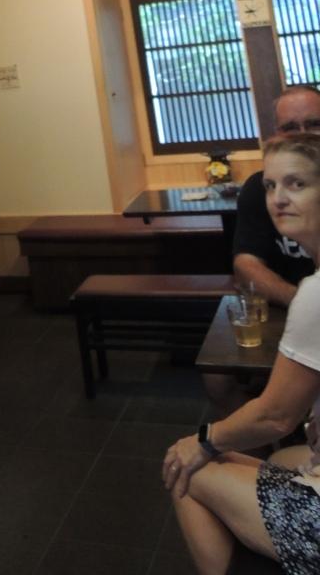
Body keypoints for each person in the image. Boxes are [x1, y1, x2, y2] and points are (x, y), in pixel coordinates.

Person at [162, 134, 320, 575]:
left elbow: (276, 418)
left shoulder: (315, 294)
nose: (278, 199)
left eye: (297, 184)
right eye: (270, 185)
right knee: (279, 458)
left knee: (185, 466)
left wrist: (202, 440)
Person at [233, 84, 320, 305]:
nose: (303, 134)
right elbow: (246, 263)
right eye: (291, 128)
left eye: (314, 124)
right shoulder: (259, 188)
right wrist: (303, 303)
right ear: (278, 133)